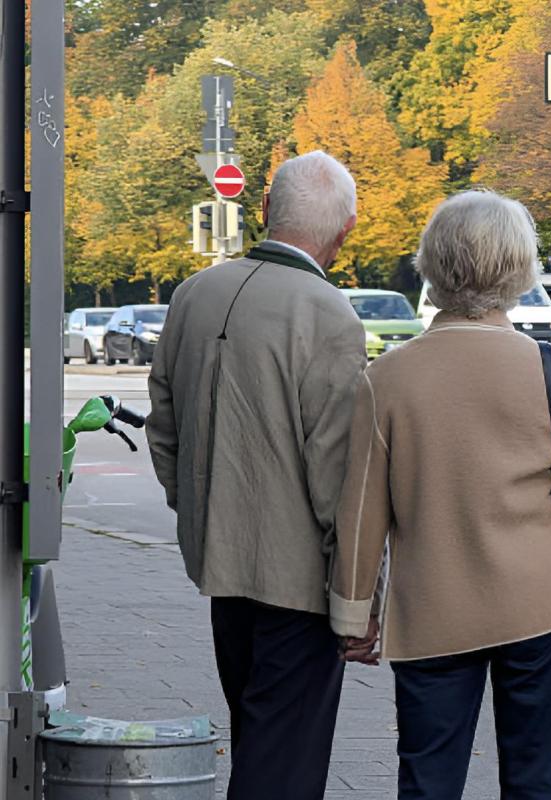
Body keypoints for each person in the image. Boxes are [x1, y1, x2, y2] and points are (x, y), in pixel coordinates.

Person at [329, 190, 551, 800]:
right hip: (539, 607)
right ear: (521, 272)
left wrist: (354, 616)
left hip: (432, 613)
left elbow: (360, 514)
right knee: (535, 779)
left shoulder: (386, 379)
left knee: (428, 781)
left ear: (432, 268)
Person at [146, 151, 367, 799]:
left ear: (265, 211)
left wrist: (199, 510)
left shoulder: (195, 292)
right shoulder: (329, 316)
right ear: (346, 232)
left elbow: (164, 426)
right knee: (283, 766)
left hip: (221, 567)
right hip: (298, 584)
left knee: (256, 738)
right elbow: (340, 478)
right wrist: (357, 599)